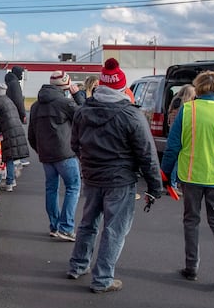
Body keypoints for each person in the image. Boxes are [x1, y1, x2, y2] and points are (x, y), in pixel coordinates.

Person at [67, 59, 161, 293]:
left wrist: (88, 162)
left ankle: (78, 265)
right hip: (120, 179)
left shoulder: (83, 111)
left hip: (93, 176)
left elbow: (74, 144)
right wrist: (154, 186)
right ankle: (102, 279)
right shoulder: (131, 115)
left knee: (88, 223)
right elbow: (147, 154)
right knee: (114, 229)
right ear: (122, 87)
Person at [161, 71, 214, 288]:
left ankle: (192, 267)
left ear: (198, 88)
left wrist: (165, 173)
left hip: (191, 175)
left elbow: (173, 146)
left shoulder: (187, 110)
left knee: (191, 221)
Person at [28, 71, 85, 241]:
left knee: (51, 189)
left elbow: (31, 134)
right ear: (66, 87)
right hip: (65, 154)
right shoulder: (66, 103)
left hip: (46, 155)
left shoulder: (36, 106)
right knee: (73, 187)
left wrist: (40, 150)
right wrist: (78, 96)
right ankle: (66, 227)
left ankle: (54, 226)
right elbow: (85, 117)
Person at [4, 66, 30, 168]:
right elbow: (18, 100)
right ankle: (19, 158)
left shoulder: (9, 82)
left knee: (13, 137)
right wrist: (23, 114)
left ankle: (17, 159)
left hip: (9, 112)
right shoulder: (15, 84)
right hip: (15, 114)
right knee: (17, 138)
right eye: (21, 74)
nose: (22, 76)